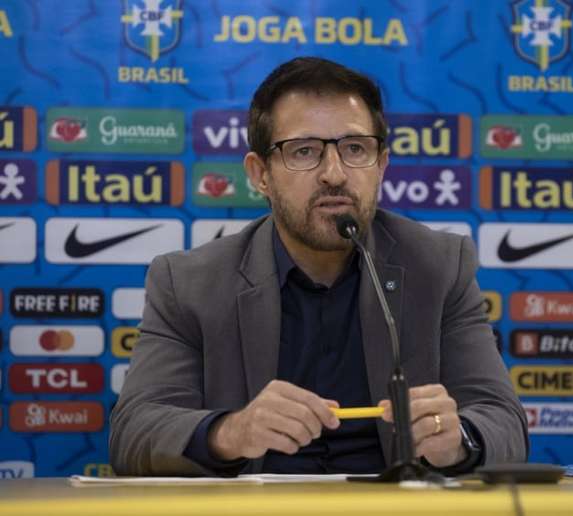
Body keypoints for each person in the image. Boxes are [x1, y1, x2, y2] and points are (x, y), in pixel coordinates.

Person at [109, 57, 529, 476]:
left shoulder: (439, 267)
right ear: (260, 175)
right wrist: (230, 431)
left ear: (381, 164)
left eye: (355, 149)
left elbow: (503, 423)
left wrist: (459, 440)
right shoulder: (188, 283)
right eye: (304, 151)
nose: (334, 173)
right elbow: (134, 433)